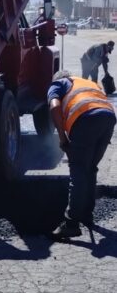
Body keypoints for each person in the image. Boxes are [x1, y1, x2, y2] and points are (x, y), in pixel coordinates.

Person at [47, 70, 116, 239]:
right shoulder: (89, 83)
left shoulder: (58, 84)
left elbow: (54, 106)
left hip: (86, 119)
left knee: (77, 170)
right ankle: (86, 214)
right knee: (90, 167)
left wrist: (63, 139)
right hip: (108, 118)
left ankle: (71, 224)